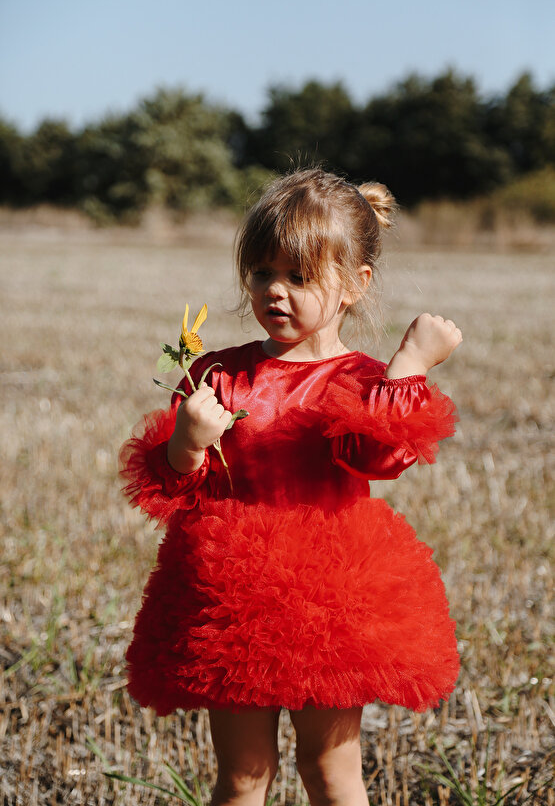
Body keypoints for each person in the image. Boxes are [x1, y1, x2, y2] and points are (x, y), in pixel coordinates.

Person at [120, 168, 463, 806]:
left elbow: (379, 457)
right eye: (261, 273)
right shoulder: (217, 372)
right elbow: (175, 488)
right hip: (231, 594)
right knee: (243, 776)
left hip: (331, 597)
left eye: (299, 277)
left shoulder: (363, 378)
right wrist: (187, 440)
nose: (275, 291)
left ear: (355, 285)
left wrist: (409, 366)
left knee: (330, 772)